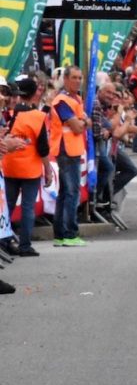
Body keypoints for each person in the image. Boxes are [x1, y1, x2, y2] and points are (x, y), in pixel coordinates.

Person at [1, 75, 52, 257]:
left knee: (7, 206)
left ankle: (4, 242)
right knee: (28, 208)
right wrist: (48, 170)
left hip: (9, 165)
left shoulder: (8, 113)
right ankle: (25, 246)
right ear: (33, 94)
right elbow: (43, 148)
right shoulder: (39, 117)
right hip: (30, 168)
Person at [48, 67, 89, 247]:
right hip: (66, 150)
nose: (77, 81)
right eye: (74, 77)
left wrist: (83, 122)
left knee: (65, 193)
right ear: (65, 79)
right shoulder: (62, 100)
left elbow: (83, 122)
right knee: (71, 193)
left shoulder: (75, 99)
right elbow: (79, 126)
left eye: (79, 78)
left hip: (71, 149)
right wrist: (84, 122)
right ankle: (69, 234)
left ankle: (61, 234)